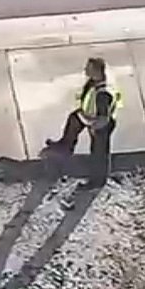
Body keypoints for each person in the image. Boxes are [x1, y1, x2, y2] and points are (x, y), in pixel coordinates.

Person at [44, 57, 122, 198]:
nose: (85, 70)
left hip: (99, 124)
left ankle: (97, 182)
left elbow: (103, 119)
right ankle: (64, 147)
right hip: (89, 115)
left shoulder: (103, 94)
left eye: (88, 68)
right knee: (73, 120)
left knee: (99, 153)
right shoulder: (95, 81)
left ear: (97, 71)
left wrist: (93, 128)